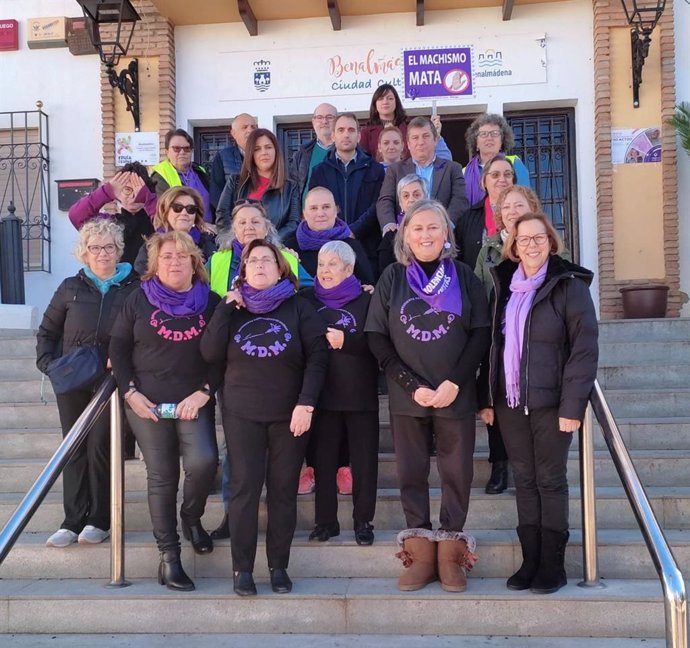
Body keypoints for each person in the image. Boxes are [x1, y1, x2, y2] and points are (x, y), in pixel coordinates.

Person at [365, 199, 490, 593]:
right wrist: (409, 383)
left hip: (455, 391)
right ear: (405, 235)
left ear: (446, 233)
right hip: (409, 395)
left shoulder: (466, 276)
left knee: (457, 473)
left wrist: (456, 380)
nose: (425, 235)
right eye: (417, 228)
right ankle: (420, 555)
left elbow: (481, 332)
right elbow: (376, 336)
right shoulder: (392, 277)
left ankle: (451, 554)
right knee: (411, 473)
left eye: (433, 227)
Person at [477, 212, 598, 595]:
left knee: (550, 480)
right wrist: (488, 398)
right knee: (525, 482)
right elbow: (492, 347)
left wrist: (572, 406)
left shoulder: (568, 285)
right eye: (523, 239)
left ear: (551, 242)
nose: (531, 244)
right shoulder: (504, 286)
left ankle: (553, 565)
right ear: (513, 245)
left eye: (538, 238)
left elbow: (584, 348)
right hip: (511, 402)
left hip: (551, 403)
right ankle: (530, 560)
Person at [200, 239, 328, 597]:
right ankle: (242, 569)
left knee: (283, 493)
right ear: (242, 270)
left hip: (290, 417)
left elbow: (318, 358)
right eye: (252, 261)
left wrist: (306, 404)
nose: (259, 265)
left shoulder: (299, 306)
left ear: (280, 268)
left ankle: (278, 567)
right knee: (243, 493)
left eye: (266, 260)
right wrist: (226, 308)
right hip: (242, 415)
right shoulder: (232, 308)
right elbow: (209, 352)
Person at [110, 231, 222, 592]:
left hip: (193, 401)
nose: (174, 261)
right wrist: (129, 393)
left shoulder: (212, 302)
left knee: (204, 462)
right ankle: (169, 557)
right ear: (155, 264)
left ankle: (191, 517)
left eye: (182, 255)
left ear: (195, 262)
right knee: (162, 475)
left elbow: (223, 354)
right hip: (148, 403)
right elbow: (119, 347)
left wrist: (206, 391)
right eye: (167, 256)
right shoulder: (136, 299)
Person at [206, 201, 313, 541]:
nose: (248, 227)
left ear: (267, 226)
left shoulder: (287, 256)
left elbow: (311, 288)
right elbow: (210, 303)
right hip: (235, 363)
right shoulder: (219, 260)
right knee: (236, 461)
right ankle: (232, 515)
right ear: (233, 229)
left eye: (255, 221)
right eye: (242, 222)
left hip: (280, 369)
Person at [36, 219, 138, 548]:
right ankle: (72, 520)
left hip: (111, 381)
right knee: (73, 446)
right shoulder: (70, 287)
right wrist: (50, 366)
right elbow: (48, 333)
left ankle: (100, 519)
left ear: (119, 250)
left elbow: (141, 334)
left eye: (109, 247)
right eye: (95, 247)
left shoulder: (133, 287)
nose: (103, 253)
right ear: (85, 252)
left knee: (100, 447)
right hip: (73, 378)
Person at [302, 241, 379, 545]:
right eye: (321, 264)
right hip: (321, 396)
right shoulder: (307, 300)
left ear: (349, 269)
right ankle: (325, 522)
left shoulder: (368, 300)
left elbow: (378, 344)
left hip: (360, 394)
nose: (325, 270)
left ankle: (363, 521)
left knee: (363, 461)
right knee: (322, 461)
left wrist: (347, 342)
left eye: (333, 264)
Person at [473, 185, 542, 496]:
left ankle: (531, 465)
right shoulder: (489, 250)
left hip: (534, 338)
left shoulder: (545, 245)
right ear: (499, 215)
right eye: (507, 208)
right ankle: (499, 465)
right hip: (497, 335)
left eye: (519, 205)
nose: (512, 212)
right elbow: (476, 288)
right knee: (496, 400)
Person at [309, 113, 385, 275]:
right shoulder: (319, 172)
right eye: (341, 130)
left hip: (367, 248)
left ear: (358, 136)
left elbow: (377, 205)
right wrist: (338, 232)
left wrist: (354, 230)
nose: (346, 134)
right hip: (331, 249)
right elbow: (316, 209)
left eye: (351, 130)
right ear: (334, 135)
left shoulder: (375, 169)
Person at [217, 128, 300, 240]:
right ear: (251, 154)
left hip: (274, 249)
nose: (264, 152)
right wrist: (236, 241)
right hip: (238, 249)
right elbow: (222, 215)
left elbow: (293, 224)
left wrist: (268, 241)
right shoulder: (235, 182)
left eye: (268, 147)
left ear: (276, 151)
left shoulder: (291, 187)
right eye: (257, 149)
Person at [68, 163, 156, 267]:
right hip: (116, 281)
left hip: (150, 282)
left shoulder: (156, 221)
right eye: (127, 189)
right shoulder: (109, 224)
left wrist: (148, 199)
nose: (133, 196)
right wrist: (106, 192)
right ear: (117, 192)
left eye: (138, 190)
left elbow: (171, 224)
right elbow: (77, 216)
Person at [284, 186, 374, 284]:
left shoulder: (351, 246)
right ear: (304, 214)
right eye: (313, 208)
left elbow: (368, 286)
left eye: (326, 207)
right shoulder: (290, 247)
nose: (320, 213)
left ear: (336, 211)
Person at [134, 186, 216, 275]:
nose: (184, 213)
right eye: (177, 208)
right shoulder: (150, 248)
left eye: (190, 209)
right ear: (165, 211)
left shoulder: (208, 244)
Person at [358, 84, 452, 161]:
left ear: (396, 103)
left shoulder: (409, 128)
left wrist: (435, 134)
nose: (385, 102)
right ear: (375, 105)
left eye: (390, 98)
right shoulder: (366, 132)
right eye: (381, 99)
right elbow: (363, 161)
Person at [457, 155, 515, 270]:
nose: (502, 179)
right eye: (495, 175)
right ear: (484, 181)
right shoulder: (468, 218)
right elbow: (458, 258)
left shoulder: (524, 214)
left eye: (507, 174)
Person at [463, 113, 531, 205]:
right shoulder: (465, 172)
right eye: (483, 134)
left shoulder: (514, 163)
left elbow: (524, 199)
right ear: (476, 143)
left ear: (502, 141)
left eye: (495, 133)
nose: (489, 138)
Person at [151, 129, 213, 225]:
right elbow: (166, 211)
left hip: (209, 231)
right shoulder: (159, 176)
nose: (182, 152)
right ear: (167, 151)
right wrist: (199, 226)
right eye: (176, 148)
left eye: (187, 148)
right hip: (180, 233)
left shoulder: (200, 171)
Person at [378, 173, 429, 271]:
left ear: (426, 198)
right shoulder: (391, 237)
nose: (411, 199)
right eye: (405, 196)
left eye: (416, 195)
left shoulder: (437, 229)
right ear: (400, 203)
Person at [288, 103, 337, 202]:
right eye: (319, 117)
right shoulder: (301, 155)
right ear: (313, 122)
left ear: (338, 121)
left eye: (329, 117)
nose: (324, 121)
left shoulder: (346, 152)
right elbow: (293, 192)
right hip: (306, 216)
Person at [209, 113, 257, 209]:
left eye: (253, 127)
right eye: (244, 127)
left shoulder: (265, 155)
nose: (250, 130)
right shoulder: (222, 157)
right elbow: (217, 194)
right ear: (233, 133)